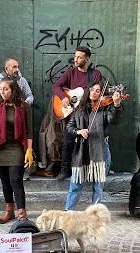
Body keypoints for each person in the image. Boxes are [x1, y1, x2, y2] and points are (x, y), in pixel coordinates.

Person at [39, 46, 102, 180]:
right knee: (67, 142)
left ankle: (87, 171)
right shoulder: (70, 73)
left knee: (86, 142)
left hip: (86, 113)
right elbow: (56, 86)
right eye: (75, 57)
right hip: (71, 114)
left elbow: (98, 90)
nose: (76, 59)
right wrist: (63, 97)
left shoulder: (95, 74)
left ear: (87, 59)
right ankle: (64, 170)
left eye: (79, 57)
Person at [0, 78, 34, 224]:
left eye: (6, 89)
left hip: (17, 147)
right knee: (5, 181)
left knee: (16, 180)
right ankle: (9, 210)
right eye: (0, 89)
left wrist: (29, 150)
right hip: (0, 148)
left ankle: (21, 212)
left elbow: (29, 131)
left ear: (13, 89)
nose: (2, 92)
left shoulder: (24, 107)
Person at [64, 81, 122, 211]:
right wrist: (78, 131)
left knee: (98, 186)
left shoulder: (106, 107)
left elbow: (114, 120)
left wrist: (117, 105)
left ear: (102, 94)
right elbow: (69, 127)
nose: (94, 93)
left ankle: (94, 215)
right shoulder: (80, 108)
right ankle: (68, 213)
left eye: (98, 91)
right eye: (92, 89)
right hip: (82, 149)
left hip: (100, 148)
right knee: (76, 184)